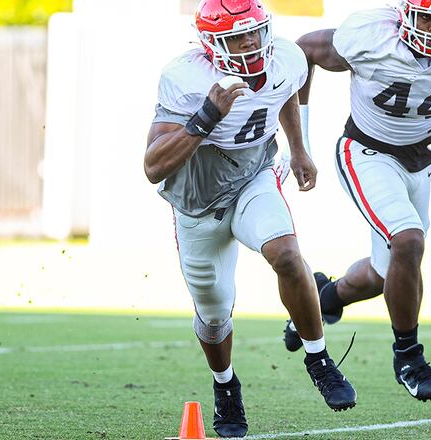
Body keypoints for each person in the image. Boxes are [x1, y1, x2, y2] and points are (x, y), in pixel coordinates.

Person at [144, 0, 357, 436]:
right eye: (235, 37)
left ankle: (318, 358)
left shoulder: (287, 56)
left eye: (253, 33)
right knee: (214, 311)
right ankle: (226, 386)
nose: (249, 44)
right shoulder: (184, 78)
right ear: (210, 45)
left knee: (286, 252)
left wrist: (298, 149)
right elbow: (153, 167)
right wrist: (206, 117)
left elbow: (285, 96)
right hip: (197, 202)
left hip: (252, 179)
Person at [283, 0, 431, 402]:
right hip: (365, 152)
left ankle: (323, 298)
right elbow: (303, 52)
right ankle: (409, 358)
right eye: (427, 17)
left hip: (421, 159)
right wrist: (300, 142)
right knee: (408, 241)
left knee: (385, 275)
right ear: (405, 15)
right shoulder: (374, 39)